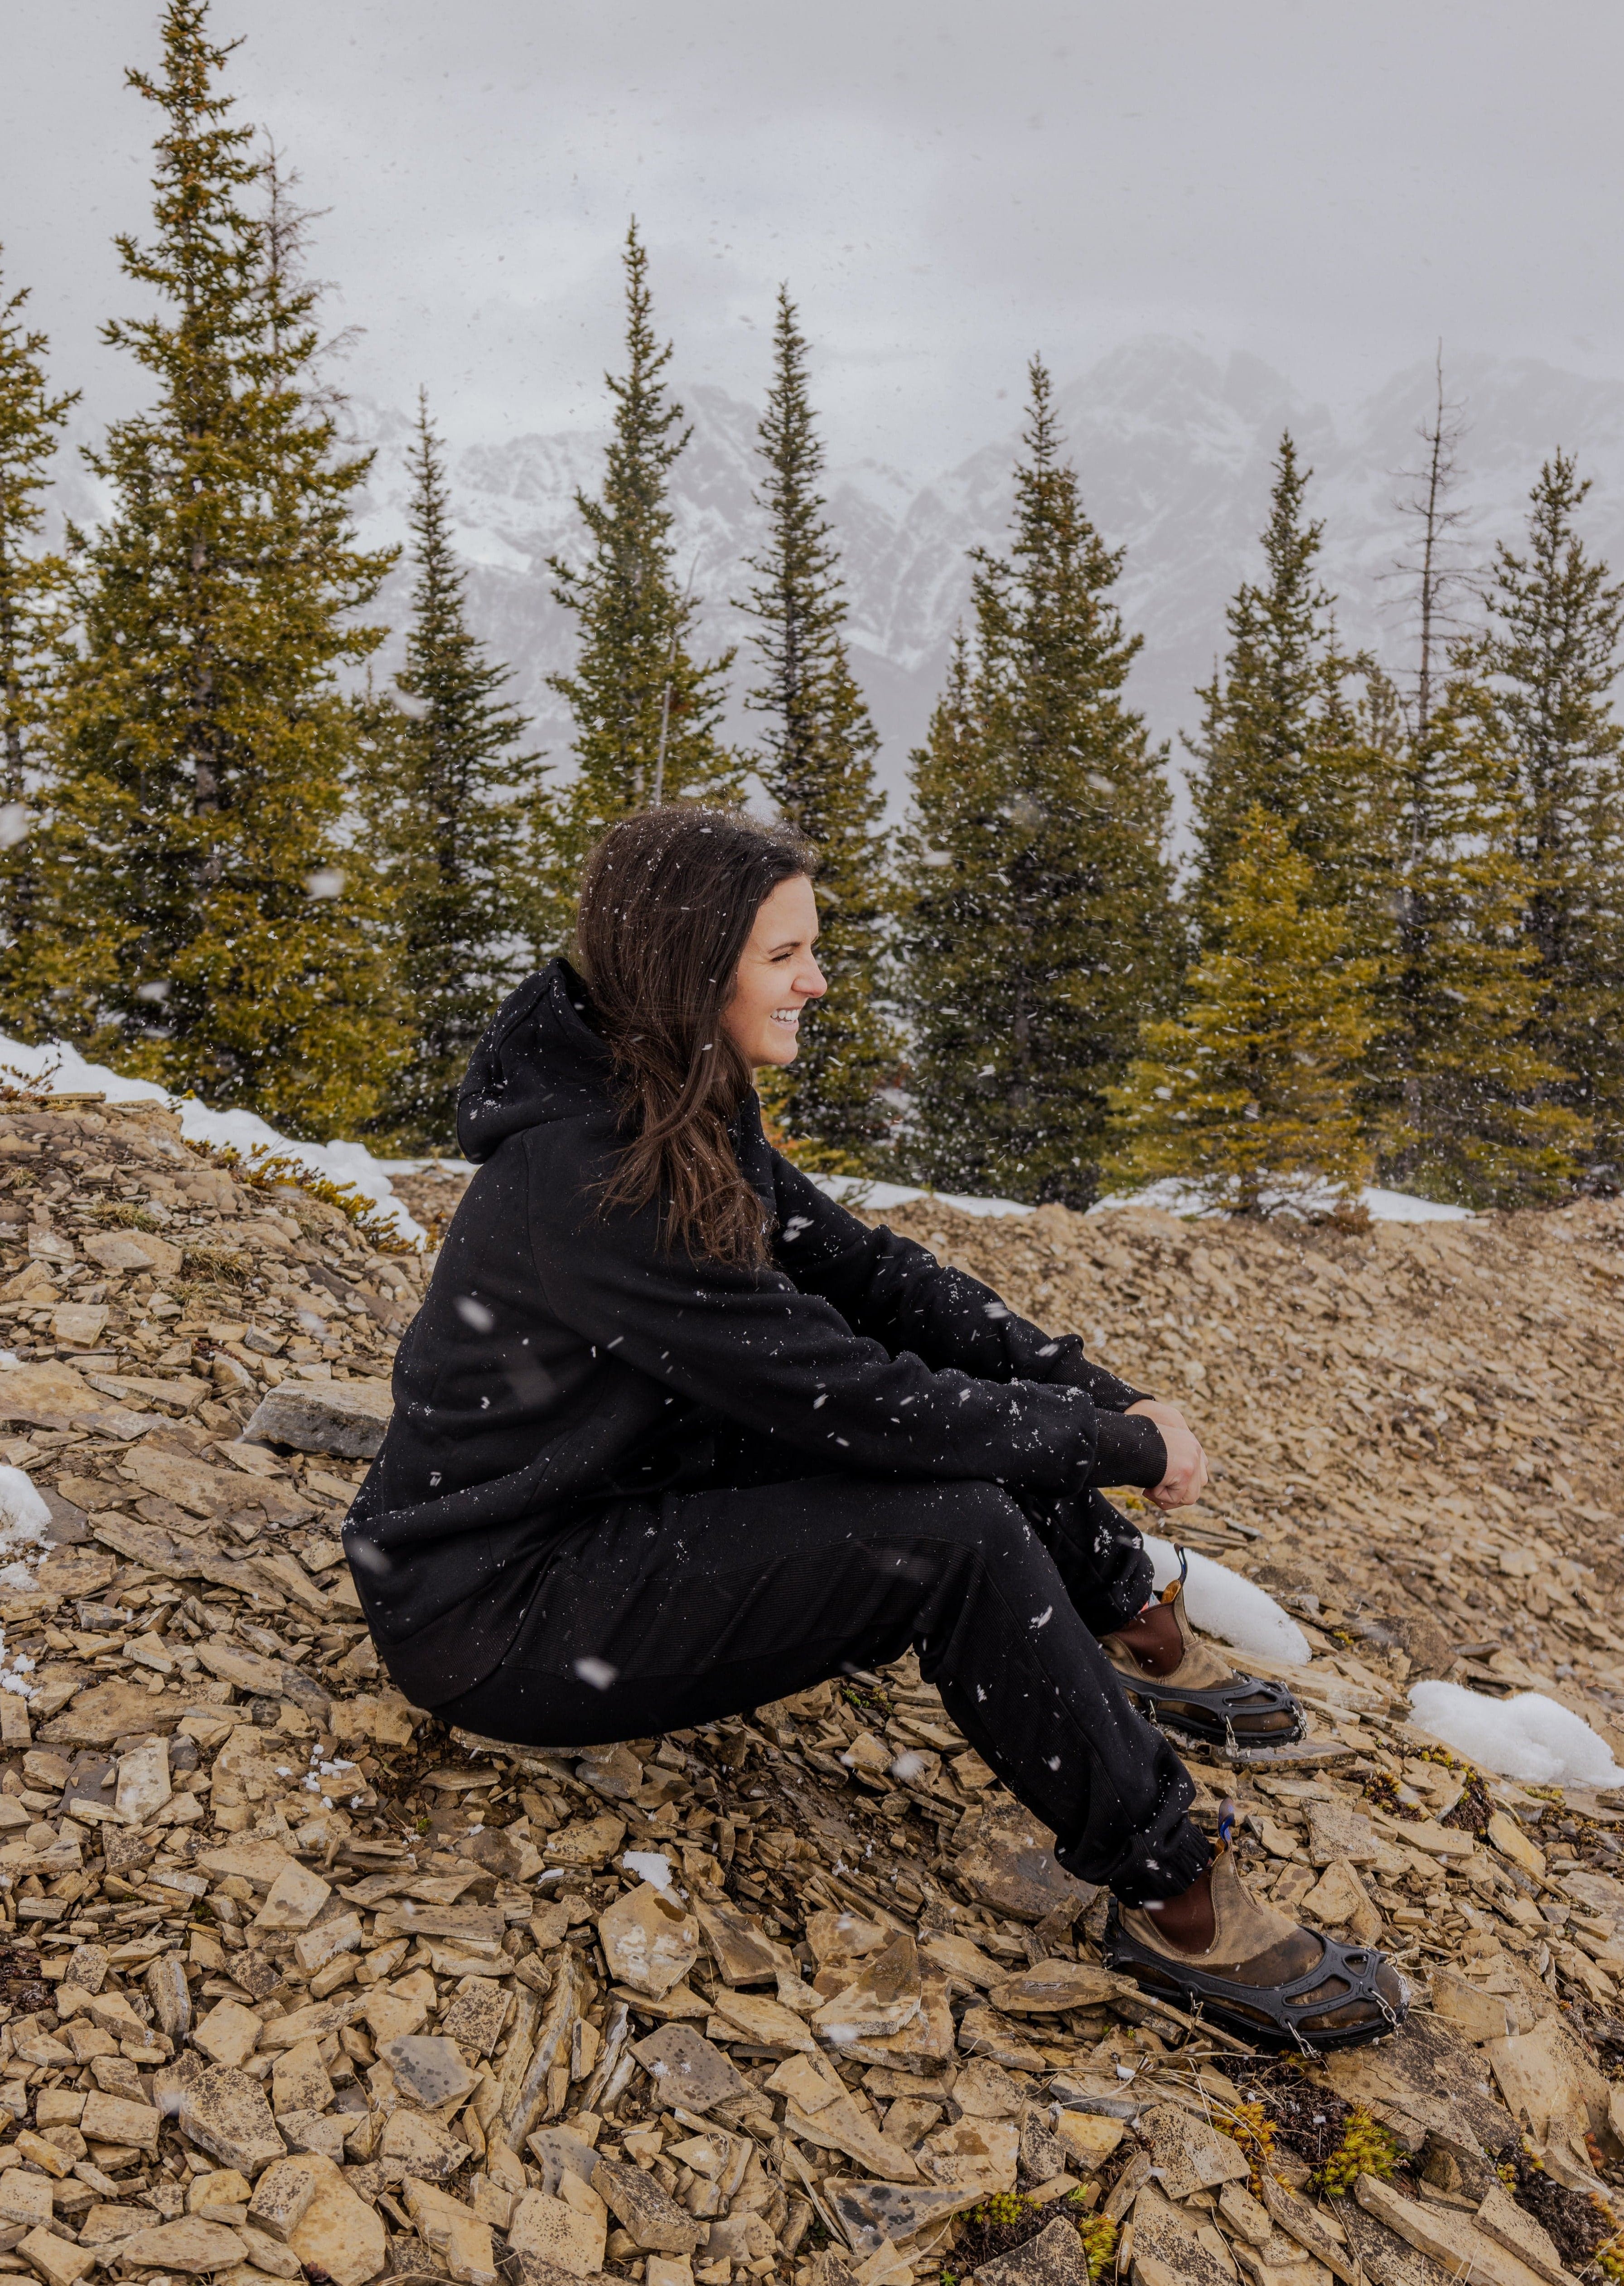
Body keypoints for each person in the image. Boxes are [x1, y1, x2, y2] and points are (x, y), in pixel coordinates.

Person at [346, 806, 1406, 2052]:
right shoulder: (589, 1177)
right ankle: (1174, 1893)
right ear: (697, 968)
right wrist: (1116, 1448)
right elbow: (861, 1400)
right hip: (495, 1606)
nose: (818, 978)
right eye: (787, 954)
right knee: (951, 1526)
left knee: (964, 1433)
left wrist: (1095, 1391)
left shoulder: (672, 1087)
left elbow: (869, 1271)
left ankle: (1129, 1619)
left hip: (618, 1489)